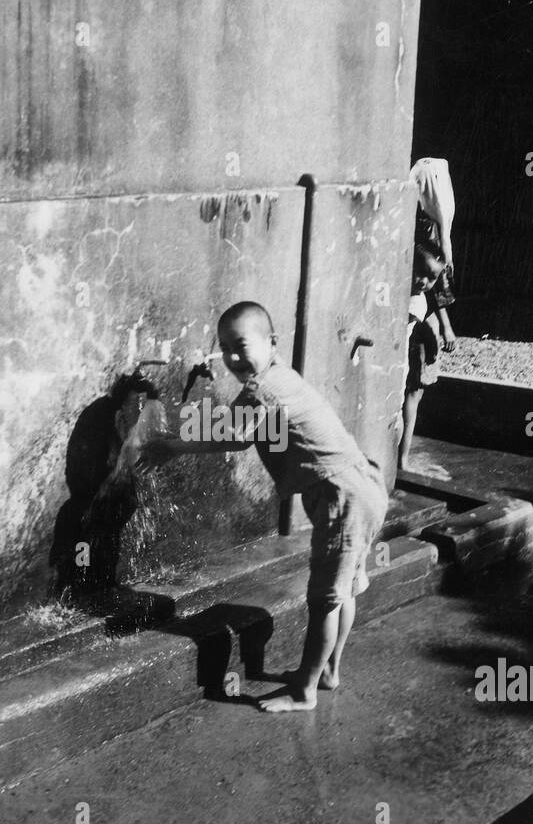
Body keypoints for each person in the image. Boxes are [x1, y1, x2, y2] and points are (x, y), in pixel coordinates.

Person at [137, 301, 388, 712]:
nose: (233, 357)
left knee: (325, 598)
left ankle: (304, 691)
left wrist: (172, 446)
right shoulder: (279, 377)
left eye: (241, 345)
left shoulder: (263, 389)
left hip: (342, 498)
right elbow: (240, 431)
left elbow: (233, 437)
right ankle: (329, 672)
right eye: (225, 348)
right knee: (344, 591)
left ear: (272, 342)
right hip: (362, 486)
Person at [398, 243, 445, 472]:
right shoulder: (404, 291)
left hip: (404, 364)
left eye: (432, 278)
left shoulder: (417, 301)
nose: (424, 282)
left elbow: (426, 331)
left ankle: (402, 458)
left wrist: (435, 340)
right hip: (400, 360)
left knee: (408, 404)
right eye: (421, 273)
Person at [411, 156, 458, 352]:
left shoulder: (427, 221)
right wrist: (446, 327)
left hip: (420, 302)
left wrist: (446, 328)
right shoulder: (432, 224)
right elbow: (438, 283)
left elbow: (436, 278)